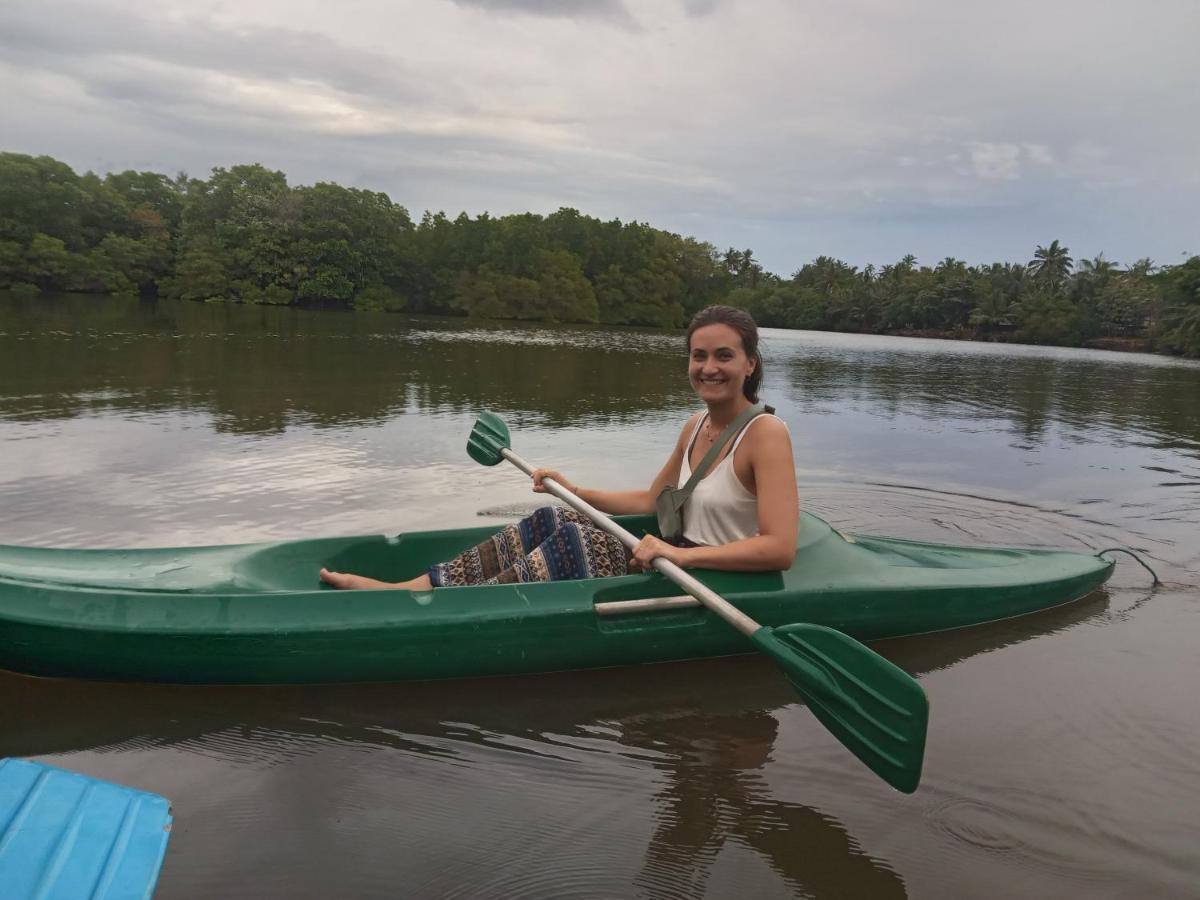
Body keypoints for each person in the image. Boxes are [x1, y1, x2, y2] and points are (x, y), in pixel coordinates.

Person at [319, 305, 799, 590]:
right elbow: (654, 502)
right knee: (559, 518)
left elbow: (779, 549)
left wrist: (683, 558)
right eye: (699, 356)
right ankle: (413, 590)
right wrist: (572, 491)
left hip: (716, 574)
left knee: (578, 542)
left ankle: (446, 609)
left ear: (750, 364)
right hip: (673, 555)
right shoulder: (695, 425)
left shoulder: (765, 435)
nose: (708, 368)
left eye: (724, 356)